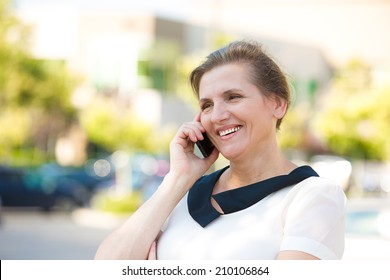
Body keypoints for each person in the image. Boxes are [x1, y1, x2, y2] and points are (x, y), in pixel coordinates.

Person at [95, 40, 346, 260]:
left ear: (278, 104)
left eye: (233, 97)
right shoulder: (183, 195)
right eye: (207, 105)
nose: (217, 115)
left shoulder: (312, 196)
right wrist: (177, 179)